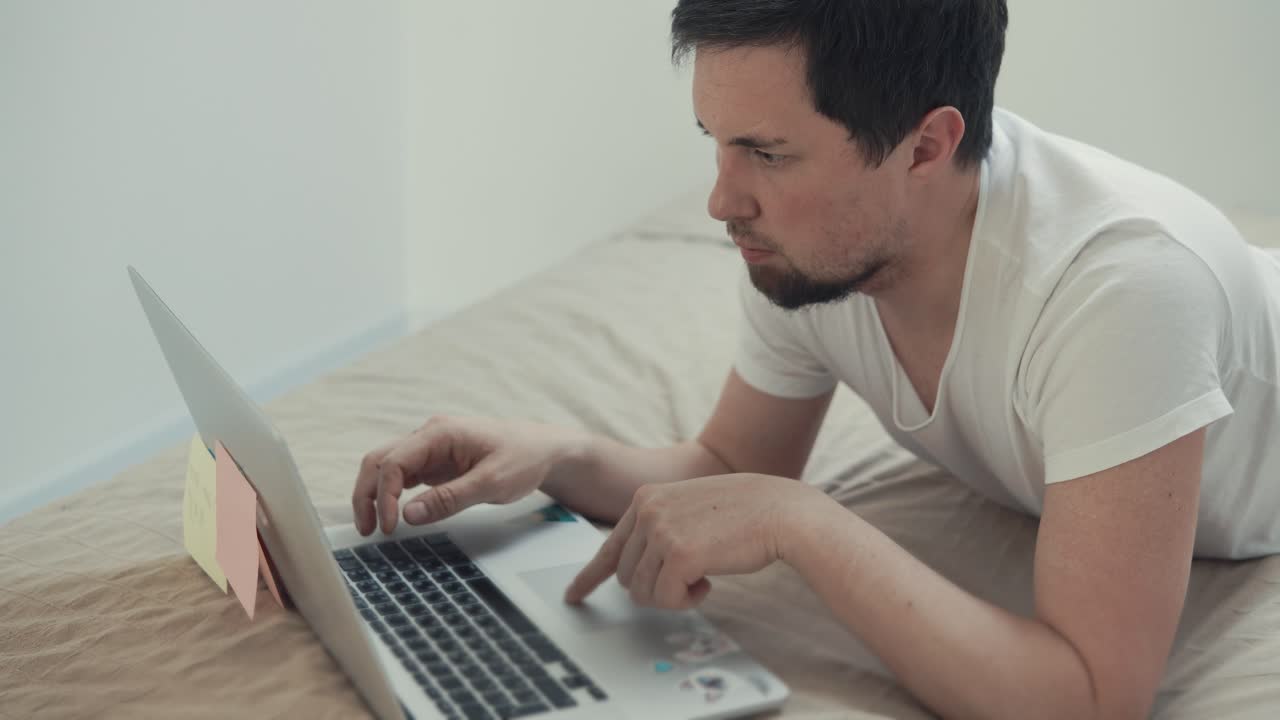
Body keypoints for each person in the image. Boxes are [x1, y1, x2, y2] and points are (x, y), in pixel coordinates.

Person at [352, 1, 1280, 717]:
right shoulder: (818, 256)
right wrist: (555, 455)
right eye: (718, 144)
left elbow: (1090, 699)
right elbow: (730, 464)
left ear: (927, 145)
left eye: (766, 153)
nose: (722, 201)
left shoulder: (1120, 293)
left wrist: (802, 522)